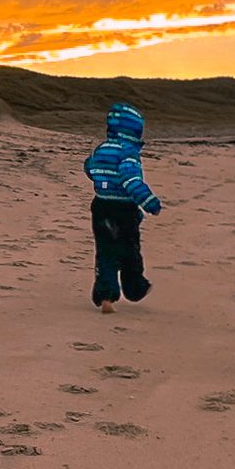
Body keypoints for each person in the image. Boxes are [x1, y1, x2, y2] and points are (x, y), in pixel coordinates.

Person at [83, 102, 162, 312]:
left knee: (105, 252)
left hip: (100, 206)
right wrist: (149, 202)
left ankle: (106, 296)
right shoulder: (128, 152)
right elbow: (130, 180)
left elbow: (89, 168)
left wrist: (98, 172)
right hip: (124, 210)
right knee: (129, 250)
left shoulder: (100, 149)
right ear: (135, 130)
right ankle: (135, 288)